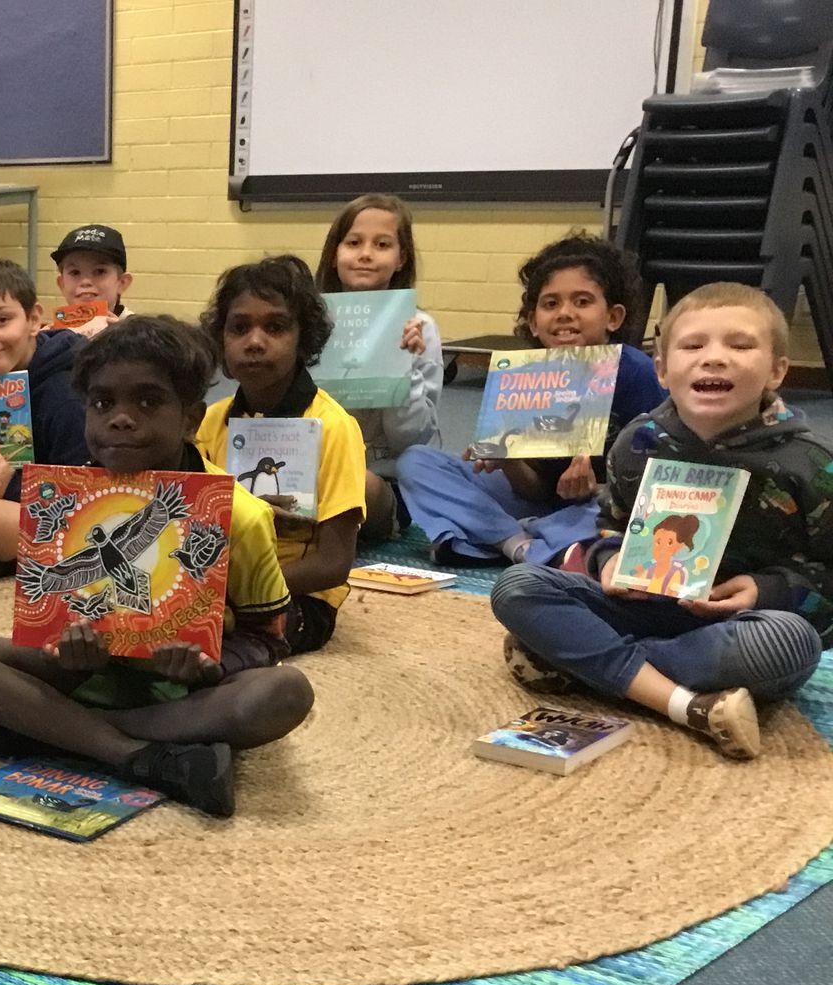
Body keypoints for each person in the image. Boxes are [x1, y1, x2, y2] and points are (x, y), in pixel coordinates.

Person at [0, 315, 313, 817]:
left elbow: (269, 636)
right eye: (102, 403)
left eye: (149, 402)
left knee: (286, 692)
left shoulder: (238, 514)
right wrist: (65, 651)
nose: (121, 419)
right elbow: (50, 609)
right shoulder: (66, 502)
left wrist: (209, 666)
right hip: (84, 677)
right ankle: (142, 757)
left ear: (191, 418)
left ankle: (64, 732)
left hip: (181, 693)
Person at [491, 282, 828, 760]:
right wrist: (608, 557)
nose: (713, 358)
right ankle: (683, 702)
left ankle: (588, 663)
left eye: (740, 344)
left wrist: (766, 588)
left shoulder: (813, 463)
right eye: (693, 345)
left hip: (732, 628)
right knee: (516, 587)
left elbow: (827, 576)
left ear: (777, 370)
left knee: (790, 644)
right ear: (663, 370)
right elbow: (611, 524)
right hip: (641, 605)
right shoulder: (637, 443)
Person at [395, 232, 666, 565]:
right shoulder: (525, 377)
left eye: (582, 301)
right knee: (417, 462)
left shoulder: (635, 372)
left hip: (602, 507)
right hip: (536, 508)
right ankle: (521, 544)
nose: (565, 313)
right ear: (533, 322)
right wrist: (508, 460)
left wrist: (600, 486)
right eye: (550, 304)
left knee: (631, 518)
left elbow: (660, 474)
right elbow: (532, 490)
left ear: (613, 317)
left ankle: (490, 538)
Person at [194, 256, 365, 653]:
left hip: (299, 598)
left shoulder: (334, 426)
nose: (254, 341)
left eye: (275, 327)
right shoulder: (210, 422)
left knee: (215, 632)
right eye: (239, 328)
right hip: (221, 586)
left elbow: (334, 563)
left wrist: (244, 592)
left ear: (303, 339)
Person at [0, 259, 90, 570]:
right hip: (15, 509)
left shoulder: (66, 394)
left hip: (72, 526)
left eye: (2, 320)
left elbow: (84, 493)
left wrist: (10, 482)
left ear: (34, 319)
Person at [313, 194, 442, 544]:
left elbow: (410, 440)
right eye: (353, 242)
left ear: (401, 258)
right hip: (309, 469)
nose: (366, 253)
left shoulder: (420, 329)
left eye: (382, 244)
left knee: (358, 488)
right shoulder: (308, 323)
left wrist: (403, 367)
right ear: (334, 253)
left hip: (382, 482)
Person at [48, 223, 132, 339]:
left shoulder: (142, 337)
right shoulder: (50, 337)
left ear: (122, 282)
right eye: (75, 272)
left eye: (99, 271)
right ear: (61, 283)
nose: (85, 282)